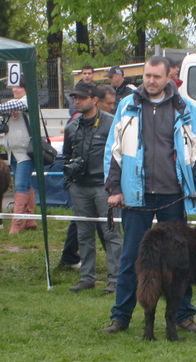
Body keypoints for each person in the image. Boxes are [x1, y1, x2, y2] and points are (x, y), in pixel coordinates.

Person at [103, 56, 196, 335]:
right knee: (131, 258)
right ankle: (120, 317)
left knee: (180, 261)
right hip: (135, 197)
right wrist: (114, 189)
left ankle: (184, 316)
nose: (150, 81)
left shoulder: (183, 107)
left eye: (156, 76)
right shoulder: (127, 106)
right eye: (147, 76)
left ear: (168, 78)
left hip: (172, 195)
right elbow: (114, 151)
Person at [63, 82, 121, 293]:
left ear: (94, 100)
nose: (76, 101)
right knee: (83, 234)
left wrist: (115, 186)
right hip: (79, 187)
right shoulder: (72, 127)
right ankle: (87, 277)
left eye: (81, 97)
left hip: (103, 187)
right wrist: (69, 181)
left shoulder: (111, 124)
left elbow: (118, 154)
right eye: (74, 98)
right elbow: (66, 156)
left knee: (111, 234)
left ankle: (116, 279)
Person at [0, 75, 37, 233]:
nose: (15, 90)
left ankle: (16, 224)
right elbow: (5, 109)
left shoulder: (29, 101)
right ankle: (30, 220)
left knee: (21, 185)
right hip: (13, 151)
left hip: (25, 152)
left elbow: (4, 108)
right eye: (13, 87)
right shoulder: (13, 104)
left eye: (19, 87)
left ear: (26, 88)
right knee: (26, 184)